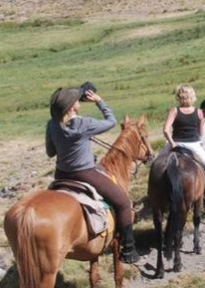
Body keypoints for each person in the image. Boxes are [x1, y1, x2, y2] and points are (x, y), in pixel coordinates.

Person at [46, 86, 140, 264]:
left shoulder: (52, 124)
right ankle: (128, 248)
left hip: (60, 175)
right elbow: (111, 121)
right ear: (73, 106)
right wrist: (99, 101)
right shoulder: (84, 124)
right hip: (85, 174)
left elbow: (51, 152)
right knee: (123, 202)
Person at [160, 84, 205, 209]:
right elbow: (201, 133)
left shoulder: (174, 111)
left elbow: (165, 130)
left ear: (179, 97)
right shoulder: (199, 112)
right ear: (192, 97)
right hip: (194, 145)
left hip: (175, 143)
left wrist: (172, 143)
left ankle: (156, 194)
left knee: (157, 165)